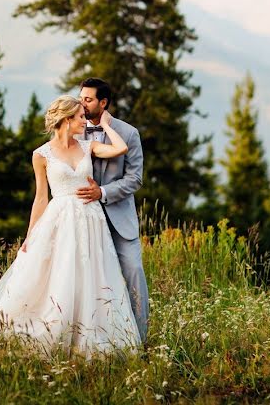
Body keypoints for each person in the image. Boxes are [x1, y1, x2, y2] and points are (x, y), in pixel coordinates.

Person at [0, 95, 141, 355]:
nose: (84, 121)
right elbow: (41, 197)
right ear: (65, 120)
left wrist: (107, 124)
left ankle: (88, 333)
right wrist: (31, 235)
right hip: (61, 218)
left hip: (90, 220)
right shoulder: (41, 155)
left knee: (93, 274)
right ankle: (56, 327)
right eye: (79, 117)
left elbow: (120, 148)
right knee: (59, 273)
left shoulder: (89, 146)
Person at [75, 77, 149, 342]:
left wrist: (103, 192)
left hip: (119, 219)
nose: (81, 103)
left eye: (87, 99)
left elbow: (135, 179)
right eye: (80, 97)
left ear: (103, 102)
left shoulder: (128, 133)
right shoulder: (73, 130)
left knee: (133, 273)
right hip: (82, 217)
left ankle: (140, 342)